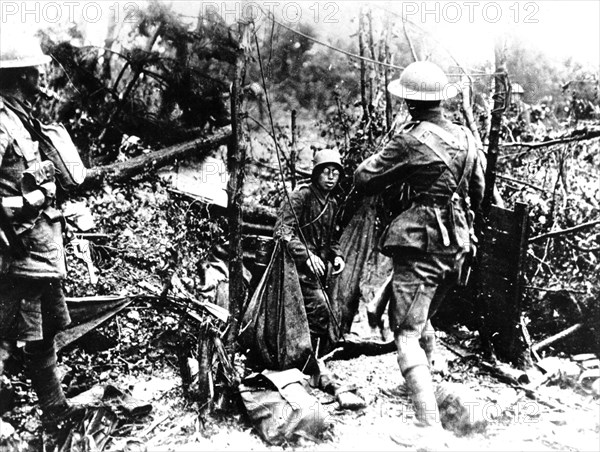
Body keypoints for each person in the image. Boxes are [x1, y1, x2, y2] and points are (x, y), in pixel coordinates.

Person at [354, 61, 486, 437]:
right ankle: (433, 390)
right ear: (441, 101)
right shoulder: (466, 138)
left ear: (410, 103)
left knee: (406, 332)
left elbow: (363, 177)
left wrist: (398, 152)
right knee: (423, 318)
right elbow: (478, 192)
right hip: (458, 244)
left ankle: (427, 426)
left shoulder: (410, 140)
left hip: (424, 242)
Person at [0, 33, 83, 431]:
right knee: (4, 333)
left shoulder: (22, 119)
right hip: (13, 250)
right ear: (16, 76)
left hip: (37, 248)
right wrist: (28, 203)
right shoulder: (1, 122)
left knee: (42, 330)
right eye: (32, 72)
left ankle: (54, 409)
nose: (39, 78)